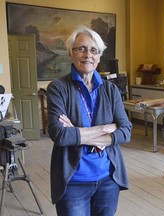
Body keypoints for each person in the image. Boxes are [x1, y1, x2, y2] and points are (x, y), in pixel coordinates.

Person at [46, 25, 132, 216]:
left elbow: (125, 131)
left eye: (94, 50)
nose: (88, 55)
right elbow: (59, 134)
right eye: (81, 48)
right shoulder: (58, 88)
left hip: (108, 179)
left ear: (99, 56)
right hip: (73, 181)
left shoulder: (111, 90)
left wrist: (76, 132)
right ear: (71, 53)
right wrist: (106, 128)